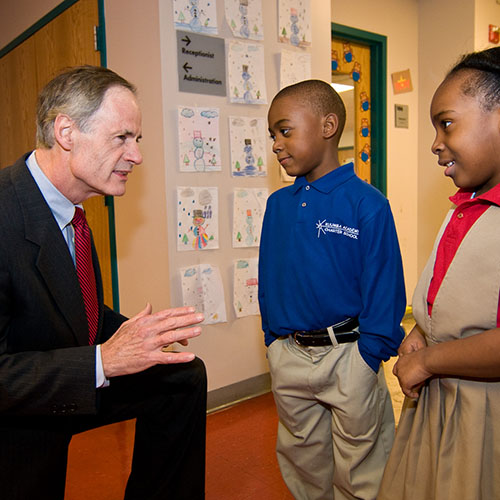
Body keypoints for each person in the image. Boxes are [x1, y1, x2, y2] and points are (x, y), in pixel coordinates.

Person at [0, 65, 207, 500]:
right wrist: (103, 362)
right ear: (67, 132)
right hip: (13, 411)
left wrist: (141, 338)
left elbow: (74, 312)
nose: (136, 156)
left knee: (182, 376)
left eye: (138, 140)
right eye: (122, 138)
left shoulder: (74, 214)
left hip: (57, 372)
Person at [258, 79, 406, 500]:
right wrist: (272, 342)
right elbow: (268, 278)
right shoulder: (278, 205)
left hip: (349, 357)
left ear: (327, 126)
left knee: (361, 466)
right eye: (272, 135)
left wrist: (369, 354)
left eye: (285, 130)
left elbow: (384, 286)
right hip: (289, 355)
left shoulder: (367, 203)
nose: (276, 144)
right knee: (303, 460)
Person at [377, 46, 500, 500]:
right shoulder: (462, 209)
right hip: (439, 409)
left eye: (446, 123)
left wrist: (427, 361)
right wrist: (423, 333)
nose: (434, 142)